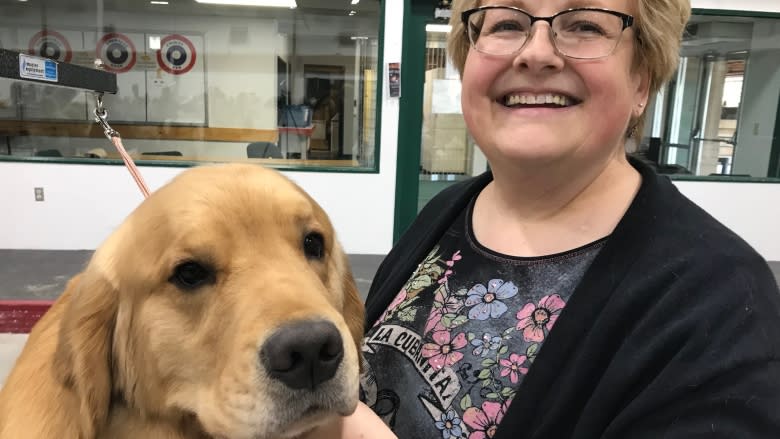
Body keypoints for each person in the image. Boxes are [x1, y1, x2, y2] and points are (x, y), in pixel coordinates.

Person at [304, 0, 780, 437]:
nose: (536, 53)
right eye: (507, 23)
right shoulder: (447, 213)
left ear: (643, 80)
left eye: (585, 25)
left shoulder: (720, 301)